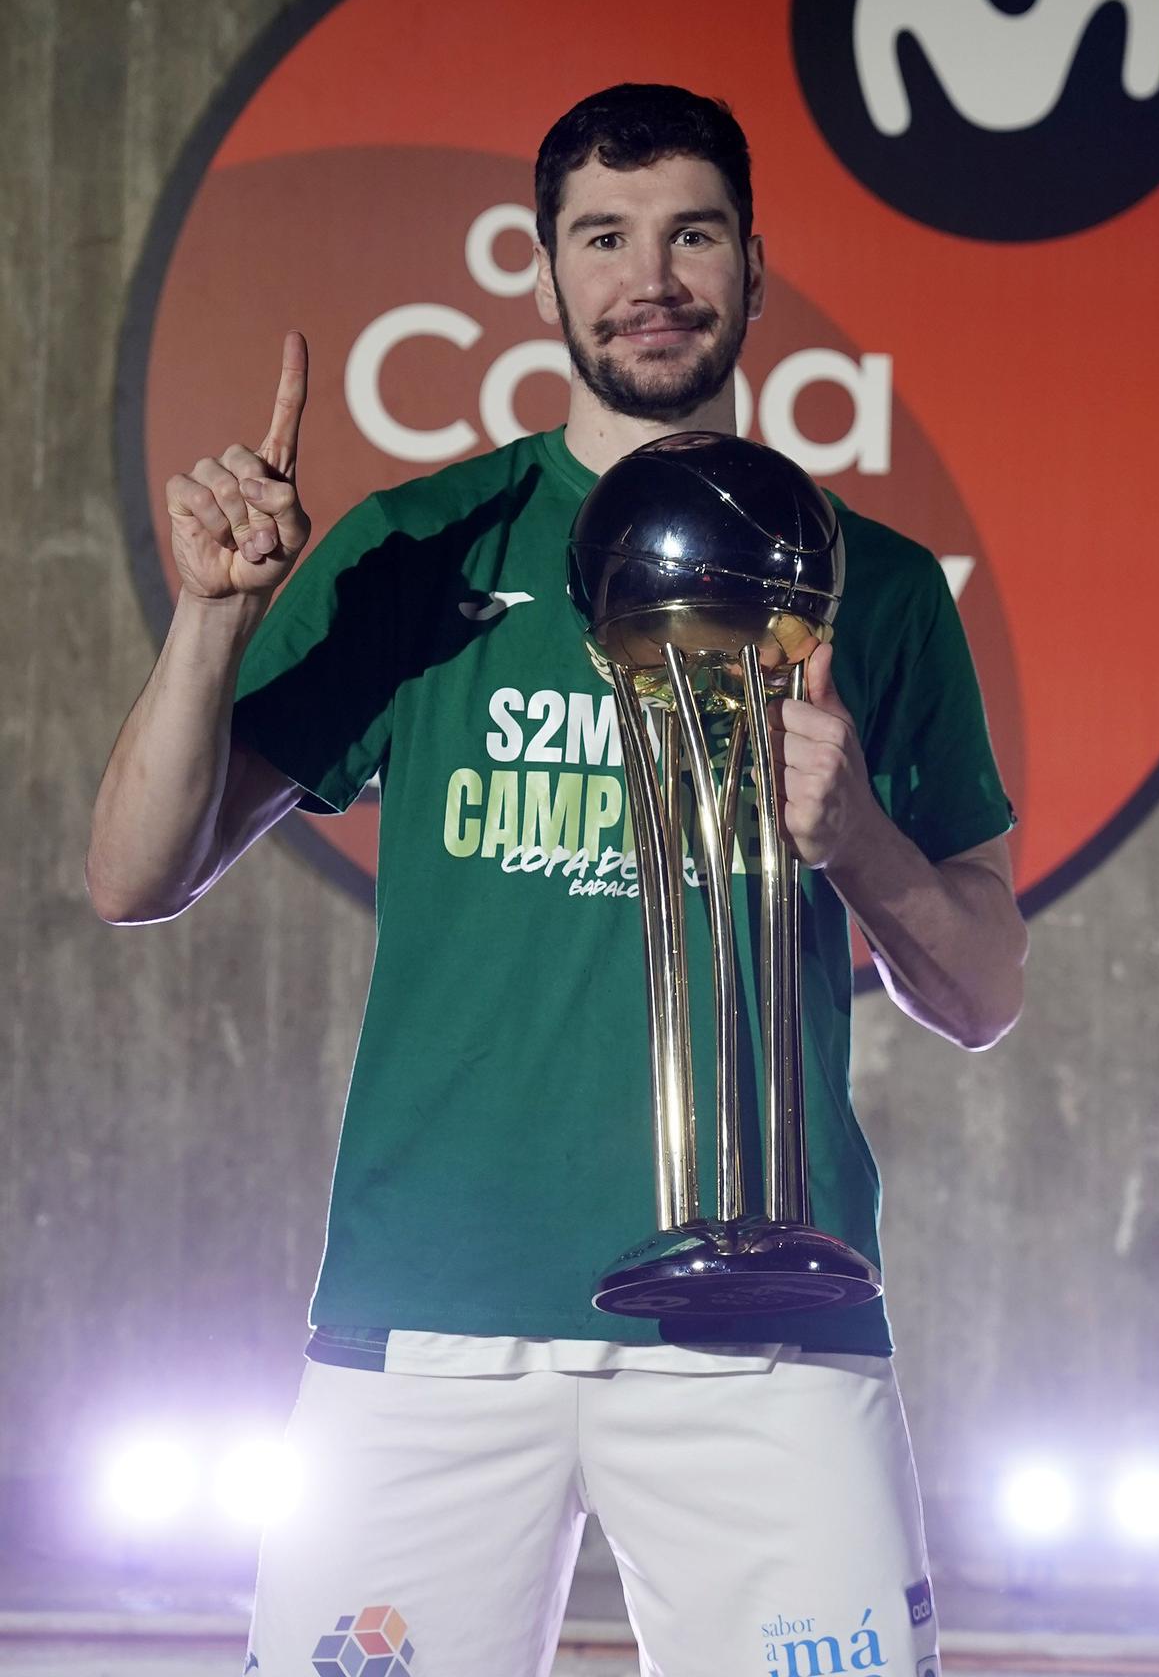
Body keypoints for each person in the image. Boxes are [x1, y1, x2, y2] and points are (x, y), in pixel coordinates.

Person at [88, 84, 1026, 1677]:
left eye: (689, 234)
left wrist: (853, 833)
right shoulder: (419, 546)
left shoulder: (863, 584)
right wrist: (206, 622)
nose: (647, 275)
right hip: (431, 1325)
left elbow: (984, 993)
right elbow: (131, 876)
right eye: (603, 236)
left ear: (749, 264)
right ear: (543, 272)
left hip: (764, 1333)